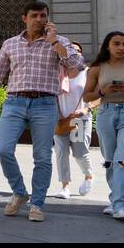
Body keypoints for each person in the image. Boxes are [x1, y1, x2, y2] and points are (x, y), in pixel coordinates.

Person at [0, 0, 83, 222]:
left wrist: (55, 43)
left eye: (43, 16)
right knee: (3, 150)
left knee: (42, 156)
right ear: (25, 18)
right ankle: (20, 192)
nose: (39, 20)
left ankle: (38, 204)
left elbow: (77, 65)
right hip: (15, 102)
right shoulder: (10, 44)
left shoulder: (59, 42)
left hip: (44, 103)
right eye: (35, 16)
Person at [83, 31, 124, 221]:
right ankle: (115, 200)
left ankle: (122, 205)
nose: (121, 48)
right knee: (110, 161)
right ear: (107, 46)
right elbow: (86, 96)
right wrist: (103, 91)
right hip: (105, 114)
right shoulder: (96, 69)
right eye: (116, 44)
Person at [53, 42, 94, 201]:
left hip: (79, 120)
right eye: (70, 50)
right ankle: (65, 186)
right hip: (60, 119)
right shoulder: (57, 71)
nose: (72, 54)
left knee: (79, 153)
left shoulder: (87, 73)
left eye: (76, 51)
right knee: (61, 153)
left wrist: (87, 109)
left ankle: (89, 175)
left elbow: (98, 96)